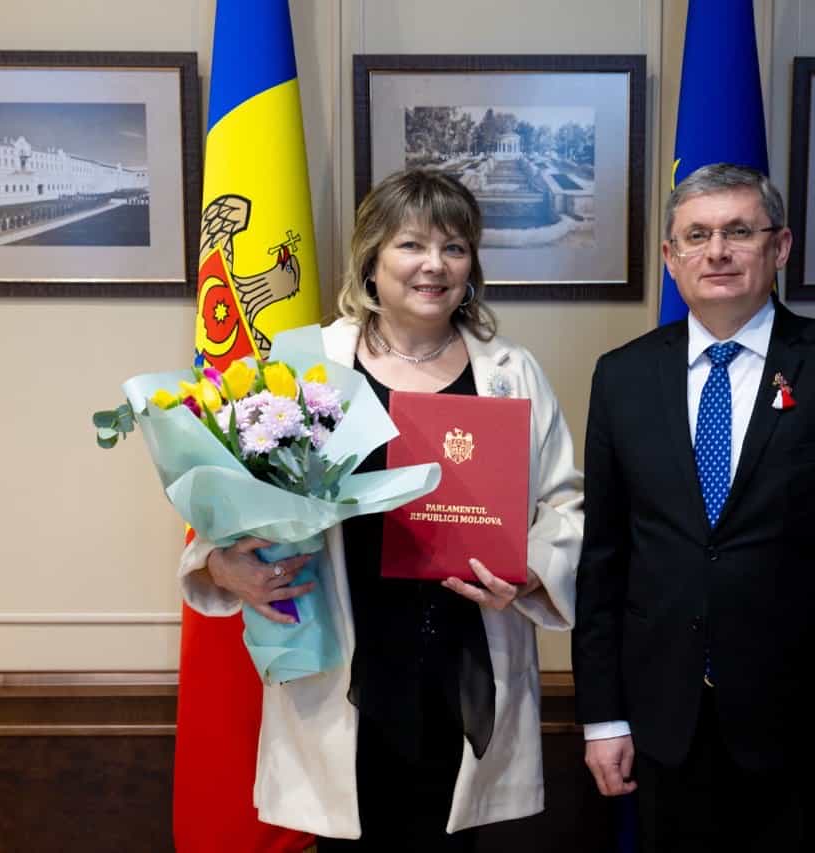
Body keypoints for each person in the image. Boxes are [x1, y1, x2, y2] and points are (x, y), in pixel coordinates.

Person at [178, 168, 584, 851]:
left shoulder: (510, 372)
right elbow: (231, 502)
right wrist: (222, 566)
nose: (435, 264)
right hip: (346, 663)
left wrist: (530, 572)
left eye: (454, 247)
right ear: (371, 260)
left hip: (464, 663)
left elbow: (565, 505)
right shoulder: (307, 365)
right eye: (412, 244)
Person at [572, 162, 815, 850]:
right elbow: (603, 560)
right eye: (697, 236)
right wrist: (603, 716)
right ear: (670, 257)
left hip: (806, 726)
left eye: (739, 231)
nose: (717, 252)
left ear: (780, 246)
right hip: (663, 723)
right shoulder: (621, 376)